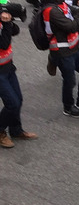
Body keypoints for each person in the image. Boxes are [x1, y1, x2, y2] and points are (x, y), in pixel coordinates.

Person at [0, 10, 38, 148]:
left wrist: (9, 20)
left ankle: (16, 130)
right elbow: (3, 43)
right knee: (12, 103)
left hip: (8, 67)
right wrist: (5, 23)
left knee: (18, 99)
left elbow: (15, 31)